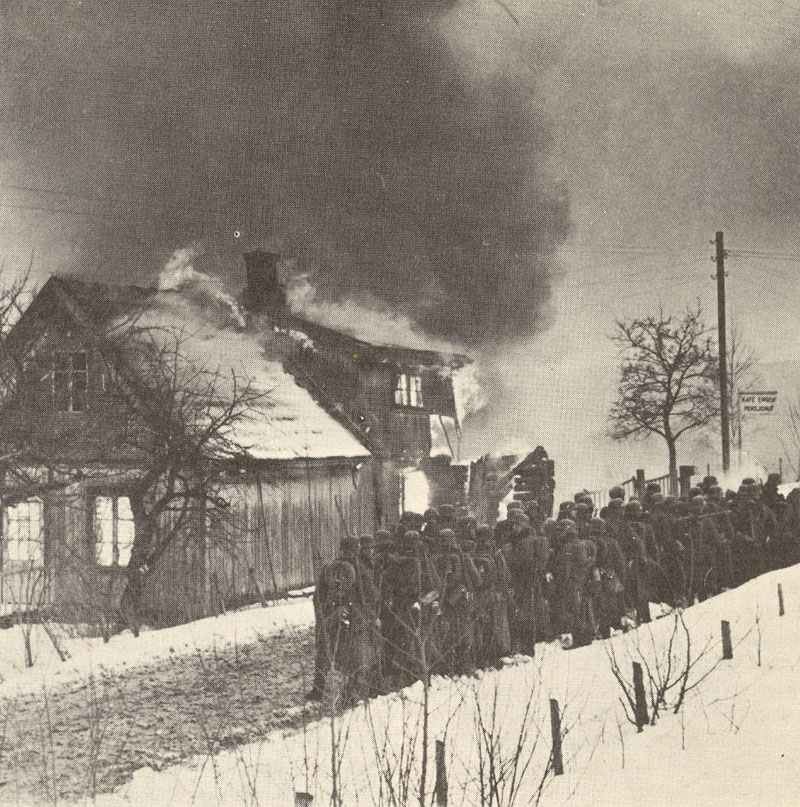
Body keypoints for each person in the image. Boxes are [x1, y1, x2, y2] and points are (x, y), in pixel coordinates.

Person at [309, 536, 381, 704]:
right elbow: (372, 596)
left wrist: (327, 615)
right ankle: (353, 692)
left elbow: (317, 597)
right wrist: (370, 617)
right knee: (359, 654)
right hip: (355, 621)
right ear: (356, 549)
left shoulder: (328, 568)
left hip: (332, 619)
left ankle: (318, 689)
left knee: (325, 652)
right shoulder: (361, 569)